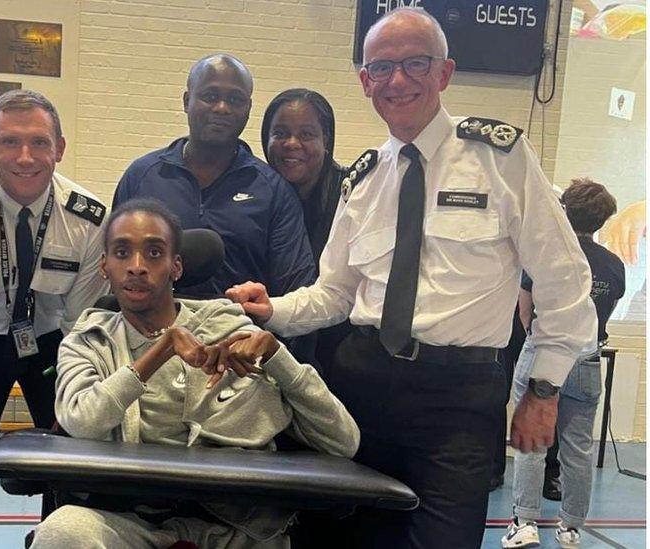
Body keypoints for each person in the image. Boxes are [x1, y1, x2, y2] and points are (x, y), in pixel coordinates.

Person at [227, 7, 596, 547]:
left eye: (415, 64)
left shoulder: (502, 158)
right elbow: (335, 293)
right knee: (340, 539)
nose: (397, 80)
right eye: (381, 68)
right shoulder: (365, 180)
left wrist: (543, 389)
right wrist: (272, 310)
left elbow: (565, 281)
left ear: (444, 72)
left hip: (458, 402)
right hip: (362, 391)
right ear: (365, 82)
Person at [30, 198, 359, 548]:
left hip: (239, 528)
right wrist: (161, 350)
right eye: (122, 253)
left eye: (154, 253)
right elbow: (82, 420)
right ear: (104, 266)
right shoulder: (87, 342)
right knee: (63, 531)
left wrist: (277, 354)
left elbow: (343, 441)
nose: (137, 266)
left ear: (177, 267)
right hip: (127, 522)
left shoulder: (236, 332)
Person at [0, 89, 109, 549]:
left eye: (39, 142)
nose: (25, 157)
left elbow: (81, 326)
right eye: (10, 142)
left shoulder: (88, 219)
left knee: (72, 463)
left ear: (60, 148)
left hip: (54, 347)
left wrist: (72, 403)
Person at [112, 54, 316, 300]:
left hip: (240, 334)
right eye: (210, 97)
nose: (222, 108)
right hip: (152, 335)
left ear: (248, 109)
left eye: (235, 99)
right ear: (187, 101)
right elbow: (115, 267)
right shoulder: (142, 176)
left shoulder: (274, 190)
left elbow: (295, 291)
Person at [503, 179, 625, 549]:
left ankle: (524, 522)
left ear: (563, 211)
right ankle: (570, 528)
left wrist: (539, 341)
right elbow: (604, 314)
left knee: (531, 443)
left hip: (542, 355)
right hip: (588, 359)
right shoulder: (614, 265)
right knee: (579, 448)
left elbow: (525, 308)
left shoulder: (548, 256)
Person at [261, 88, 353, 375]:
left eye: (307, 134)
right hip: (270, 351)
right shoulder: (255, 195)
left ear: (327, 140)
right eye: (280, 133)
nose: (292, 143)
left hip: (341, 357)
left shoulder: (354, 194)